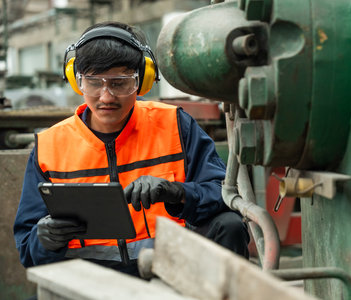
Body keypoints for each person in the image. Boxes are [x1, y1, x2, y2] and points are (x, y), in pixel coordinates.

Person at [14, 21, 249, 277]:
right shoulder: (51, 146)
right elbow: (28, 251)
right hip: (89, 282)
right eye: (93, 82)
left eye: (120, 82)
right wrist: (45, 239)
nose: (106, 97)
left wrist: (177, 193)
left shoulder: (174, 125)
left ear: (142, 81)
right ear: (76, 80)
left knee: (230, 225)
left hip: (170, 271)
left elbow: (224, 195)